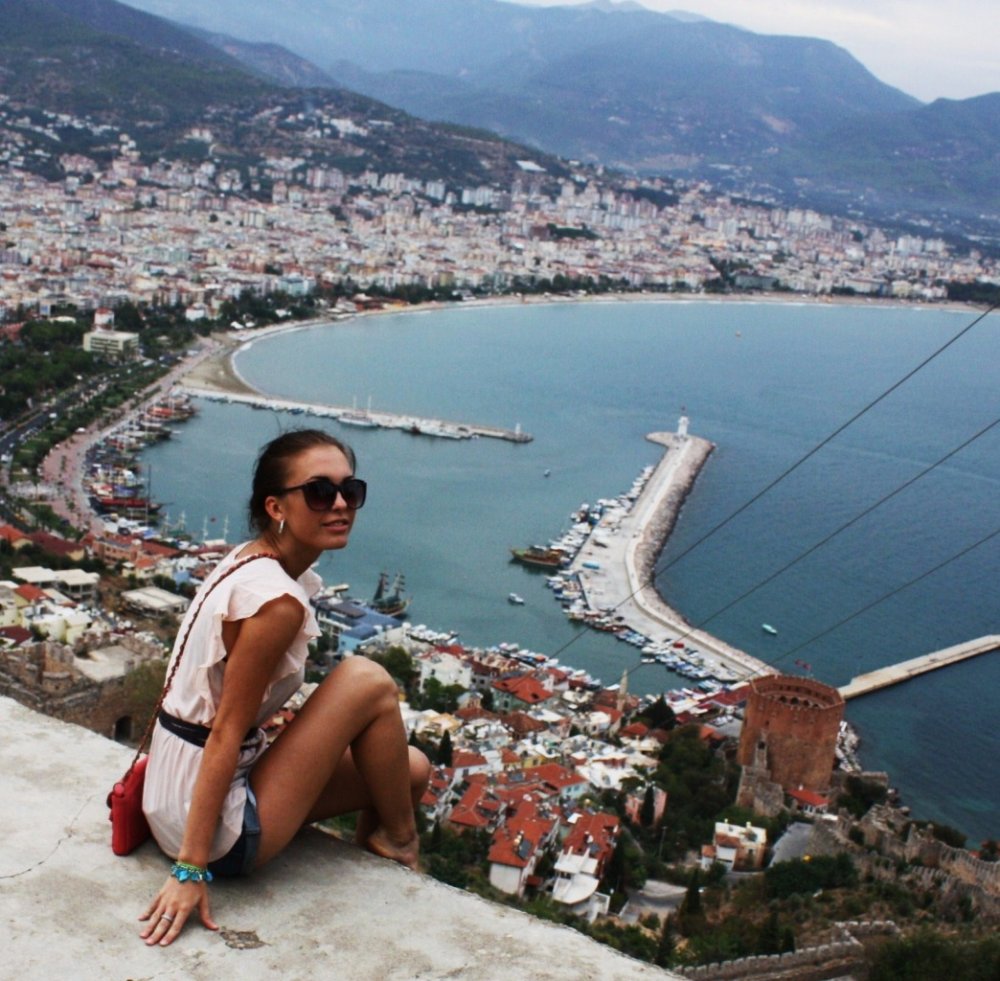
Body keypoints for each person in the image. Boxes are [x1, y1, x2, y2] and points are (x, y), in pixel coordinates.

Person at [139, 428, 429, 947]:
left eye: (350, 490)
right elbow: (226, 731)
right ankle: (404, 848)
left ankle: (380, 850)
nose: (339, 504)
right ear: (276, 506)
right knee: (367, 679)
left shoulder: (247, 560)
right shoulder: (275, 602)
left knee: (409, 770)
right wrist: (189, 871)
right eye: (319, 492)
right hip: (213, 832)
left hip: (170, 793)